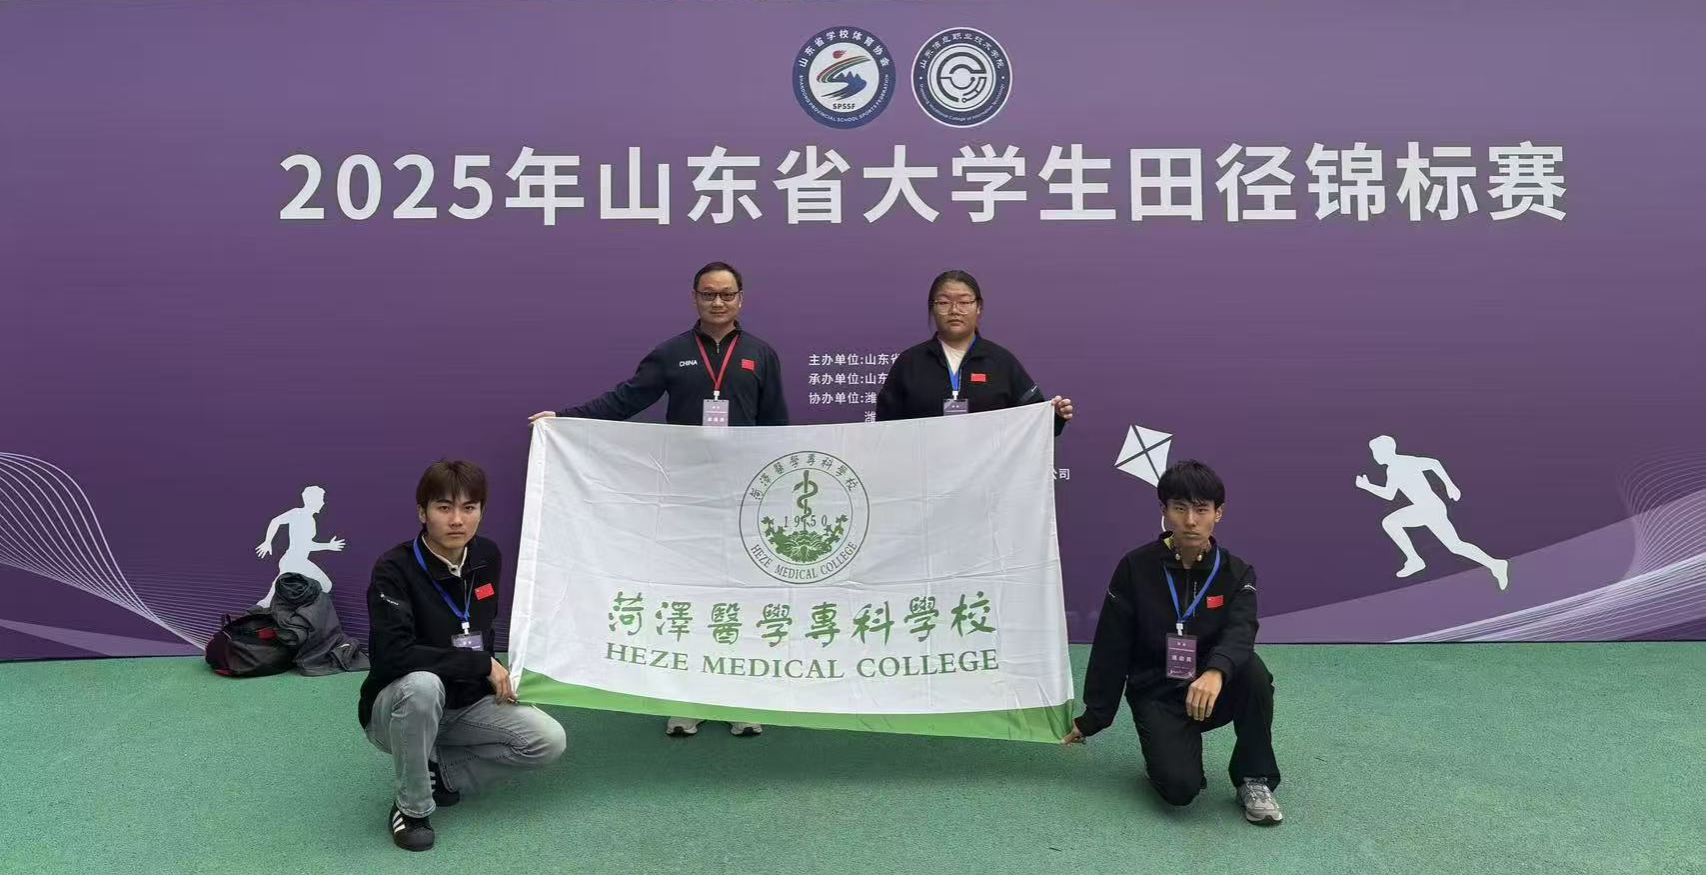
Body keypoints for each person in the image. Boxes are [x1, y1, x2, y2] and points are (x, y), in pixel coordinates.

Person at [529, 261, 783, 738]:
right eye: (708, 294)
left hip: (743, 497)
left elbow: (776, 427)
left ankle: (740, 696)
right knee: (688, 593)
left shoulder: (760, 355)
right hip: (685, 496)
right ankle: (688, 699)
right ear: (694, 298)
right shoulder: (672, 353)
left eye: (727, 294)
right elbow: (625, 399)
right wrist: (564, 420)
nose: (718, 302)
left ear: (741, 299)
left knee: (740, 596)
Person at [358, 460, 567, 851]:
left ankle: (442, 775)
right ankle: (412, 808)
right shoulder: (393, 568)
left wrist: (504, 677)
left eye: (469, 508)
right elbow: (392, 655)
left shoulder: (487, 555)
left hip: (466, 702)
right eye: (444, 508)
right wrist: (480, 663)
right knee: (423, 685)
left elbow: (481, 631)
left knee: (548, 740)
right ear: (422, 513)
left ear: (481, 512)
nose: (457, 520)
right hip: (398, 709)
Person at [1064, 460, 1284, 825]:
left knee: (1253, 672)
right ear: (1164, 511)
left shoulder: (1236, 571)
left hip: (1211, 689)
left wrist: (1215, 671)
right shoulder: (1135, 567)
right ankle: (1169, 752)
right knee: (1180, 791)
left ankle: (1254, 778)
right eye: (1180, 508)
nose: (1191, 521)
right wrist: (1093, 719)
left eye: (1201, 510)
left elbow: (1242, 629)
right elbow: (1111, 646)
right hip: (1157, 692)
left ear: (1218, 514)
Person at [874, 269, 1073, 431]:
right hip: (926, 467)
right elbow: (885, 429)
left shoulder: (1001, 361)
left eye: (964, 302)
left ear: (978, 308)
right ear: (932, 309)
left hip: (989, 469)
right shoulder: (910, 362)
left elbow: (1033, 420)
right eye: (944, 302)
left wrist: (1055, 417)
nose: (954, 310)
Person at [1356, 435, 1509, 589]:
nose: (1374, 456)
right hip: (1428, 508)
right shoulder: (1392, 468)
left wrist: (1450, 485)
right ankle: (1495, 564)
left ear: (1386, 451)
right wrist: (1367, 486)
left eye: (1376, 452)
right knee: (1455, 546)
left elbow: (1433, 463)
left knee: (1390, 522)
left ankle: (1415, 560)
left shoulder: (1403, 462)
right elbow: (1389, 494)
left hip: (1429, 508)